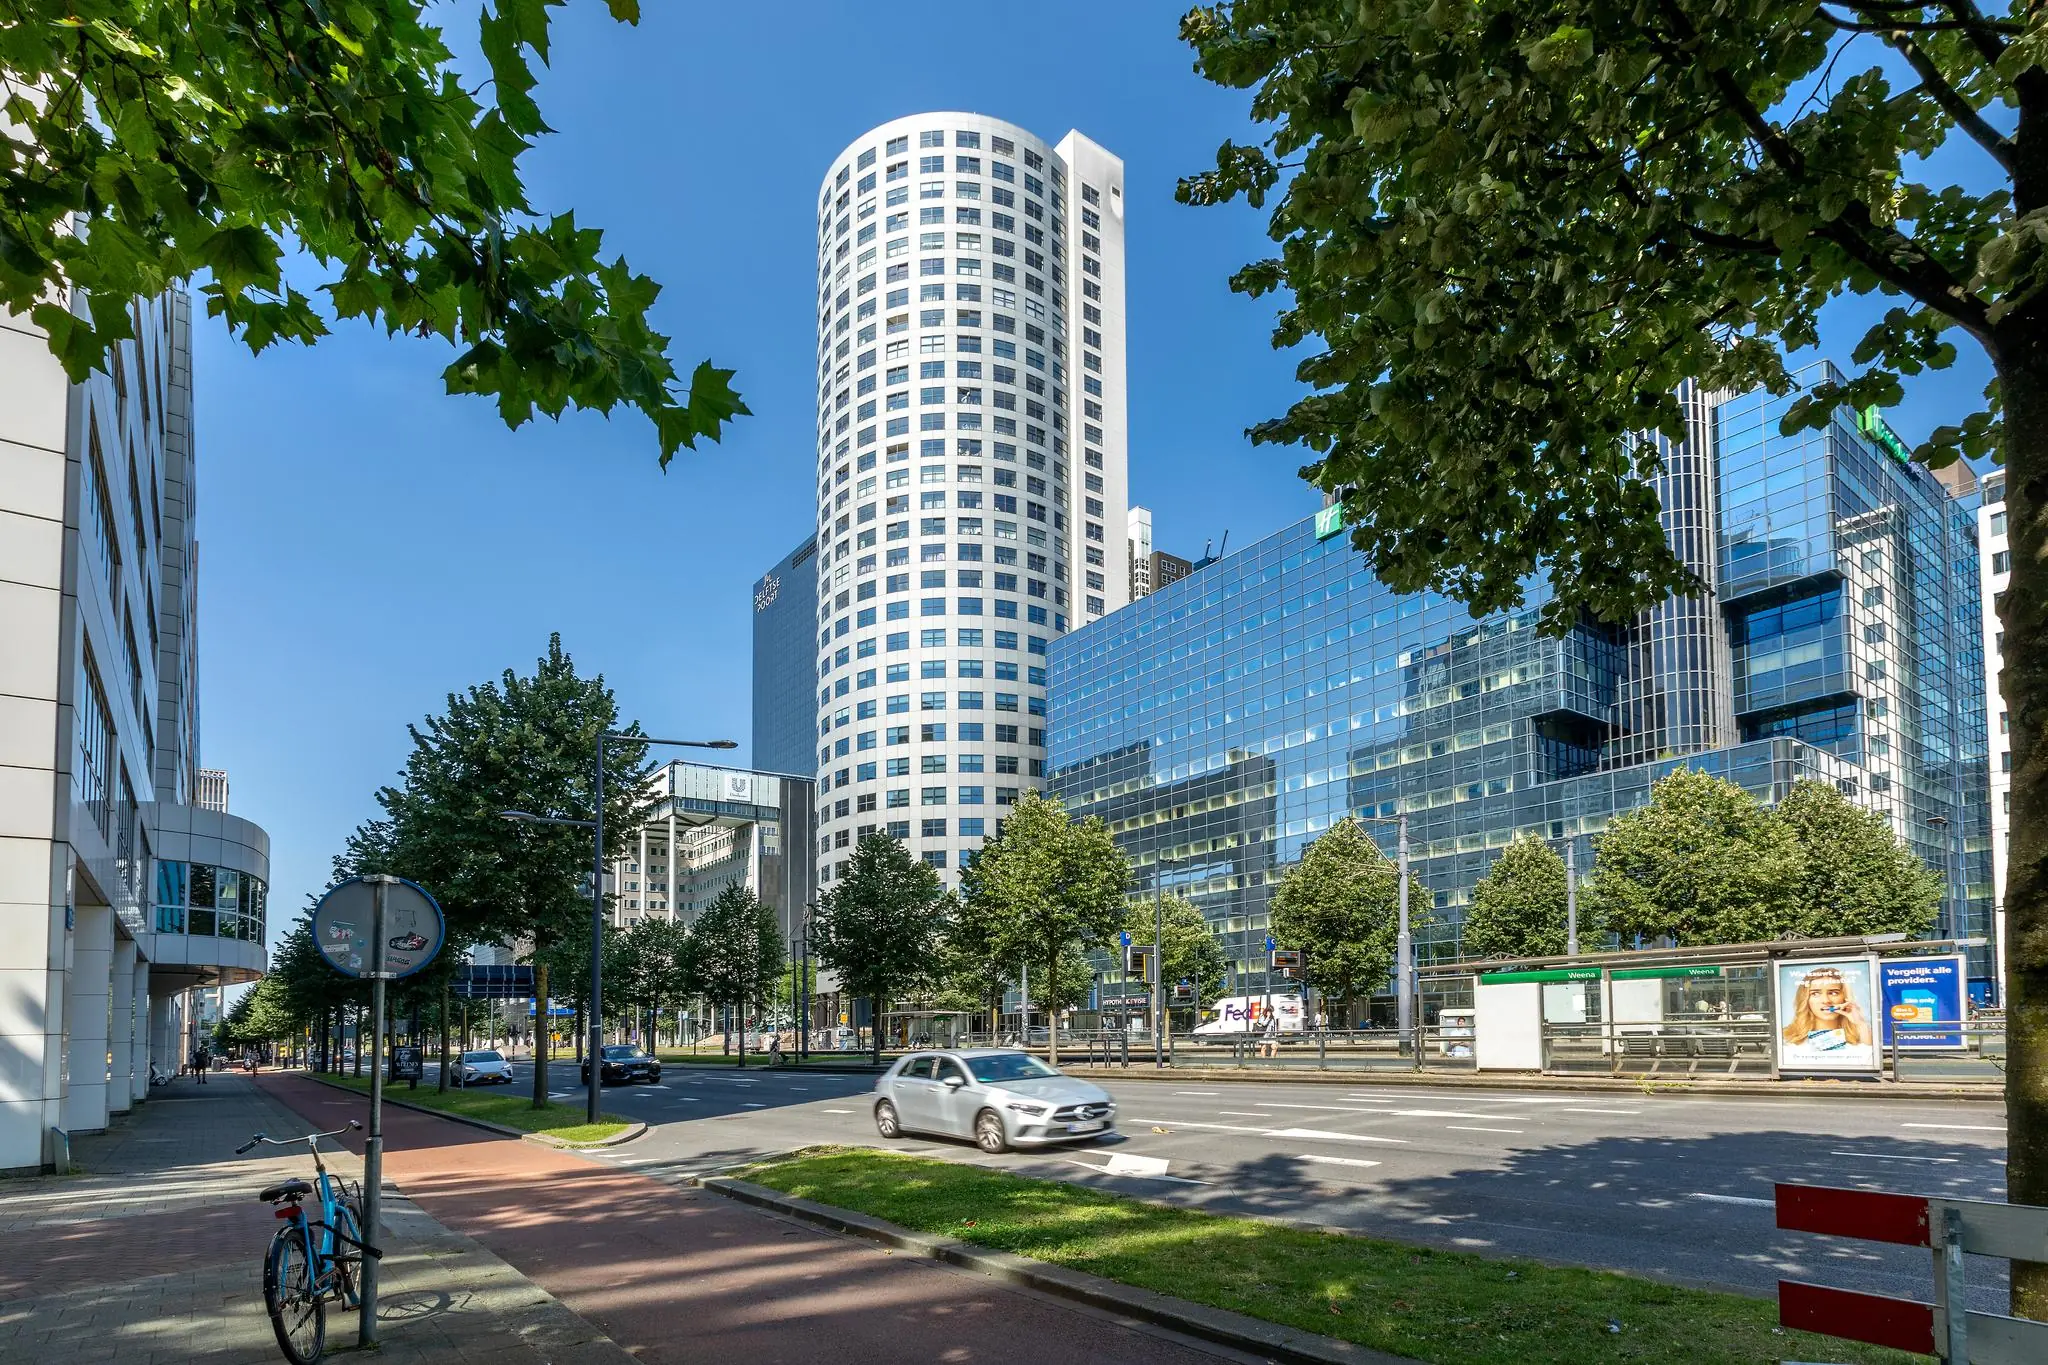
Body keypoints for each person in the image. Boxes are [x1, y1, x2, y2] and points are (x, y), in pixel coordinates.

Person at [1781, 966, 1871, 1061]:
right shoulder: (1787, 1041)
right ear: (1806, 999)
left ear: (1844, 997)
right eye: (1815, 993)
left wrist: (1861, 1024)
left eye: (1833, 993)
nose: (1825, 1000)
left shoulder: (1861, 1036)